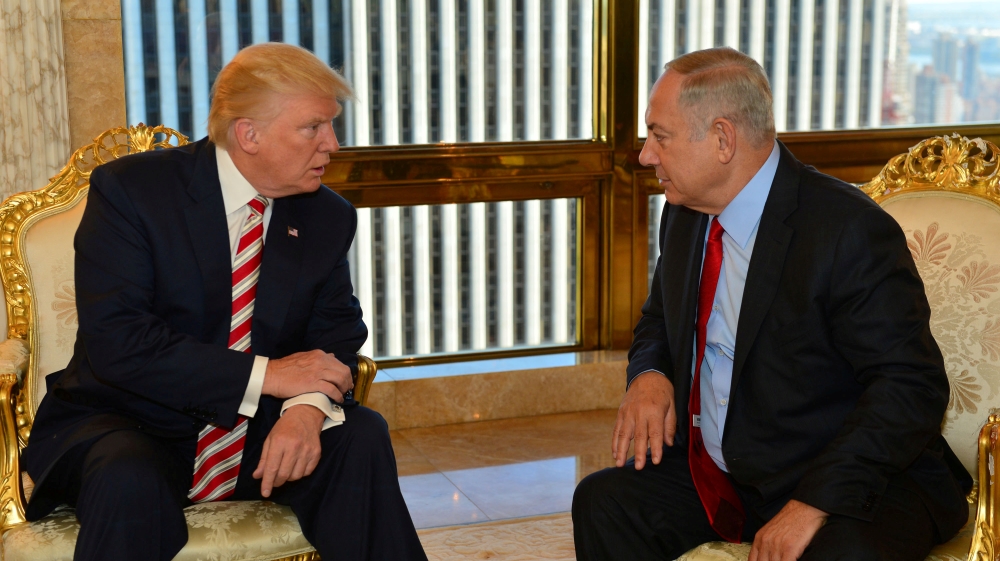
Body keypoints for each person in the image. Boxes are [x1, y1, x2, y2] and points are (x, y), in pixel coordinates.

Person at [22, 42, 427, 561]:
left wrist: (304, 410)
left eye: (332, 124)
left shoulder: (327, 215)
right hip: (129, 419)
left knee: (361, 435)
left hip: (256, 432)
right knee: (128, 476)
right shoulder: (133, 192)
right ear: (248, 134)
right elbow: (120, 342)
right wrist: (271, 376)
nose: (333, 143)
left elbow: (337, 335)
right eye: (314, 127)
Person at [572, 47, 971, 561]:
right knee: (604, 502)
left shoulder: (846, 231)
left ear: (722, 139)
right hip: (731, 471)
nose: (646, 155)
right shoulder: (687, 212)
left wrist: (812, 502)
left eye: (659, 136)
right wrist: (649, 373)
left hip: (847, 476)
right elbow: (658, 318)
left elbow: (910, 386)